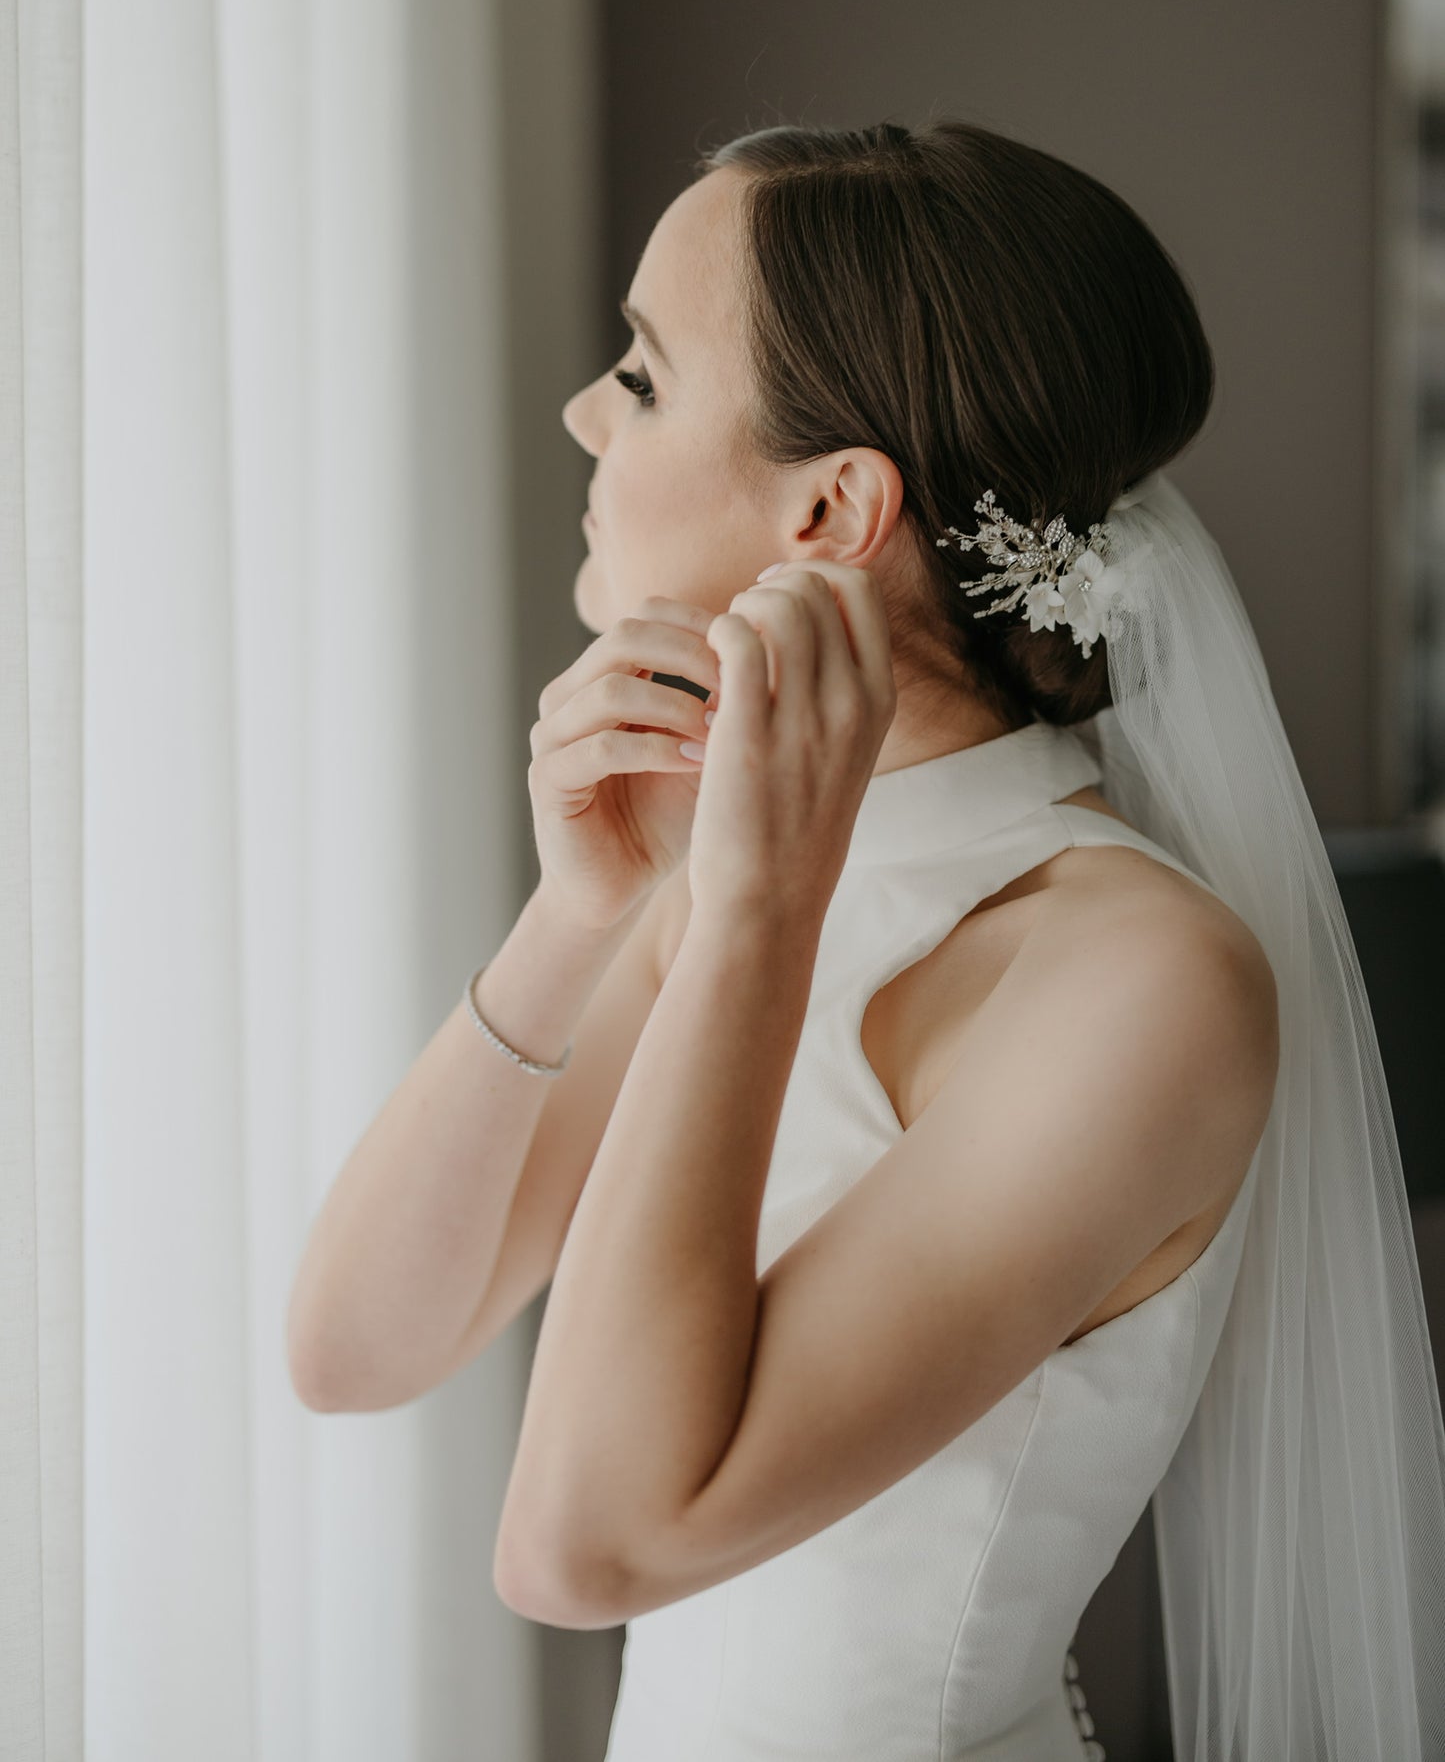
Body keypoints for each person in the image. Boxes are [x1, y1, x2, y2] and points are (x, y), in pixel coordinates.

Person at [288, 120, 1445, 1760]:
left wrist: (754, 910)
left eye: (637, 374)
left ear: (832, 505)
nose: (578, 414)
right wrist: (580, 913)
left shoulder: (1134, 979)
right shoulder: (703, 872)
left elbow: (582, 1544)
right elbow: (355, 1348)